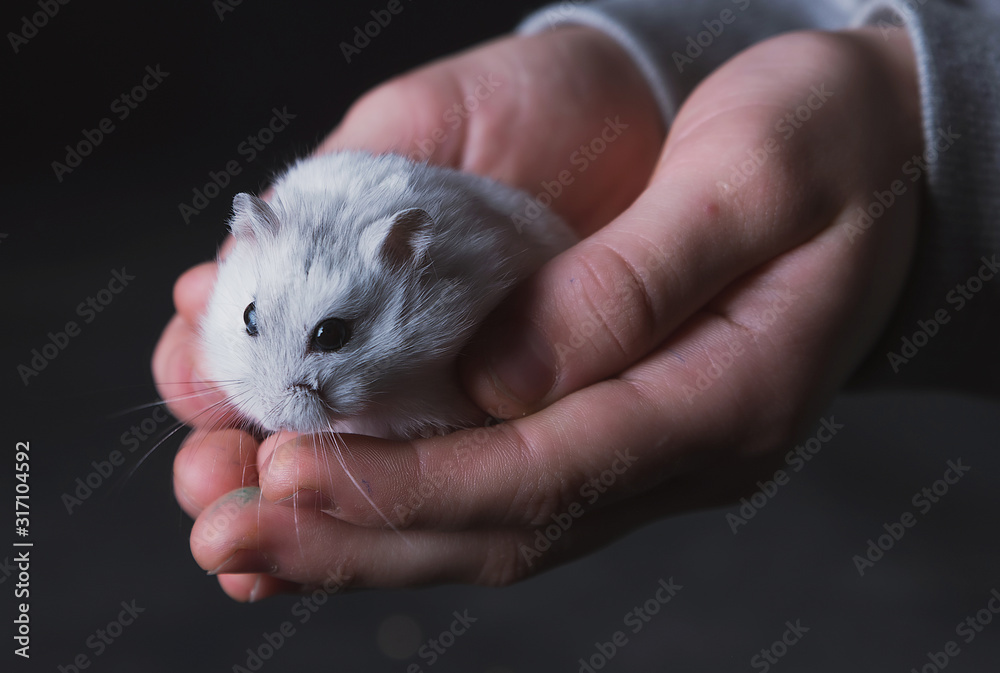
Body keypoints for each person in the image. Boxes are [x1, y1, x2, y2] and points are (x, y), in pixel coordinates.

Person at [154, 0, 1000, 601]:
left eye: (334, 335)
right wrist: (640, 56)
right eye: (256, 324)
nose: (279, 393)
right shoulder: (272, 229)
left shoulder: (420, 255)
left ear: (409, 261)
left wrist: (906, 115)